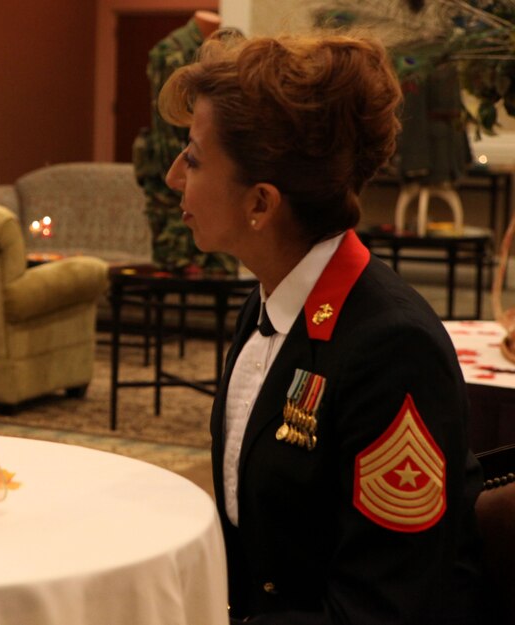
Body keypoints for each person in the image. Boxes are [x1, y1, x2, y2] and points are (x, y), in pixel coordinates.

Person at [160, 34, 482, 624]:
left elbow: (383, 609)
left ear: (261, 203)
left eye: (194, 157)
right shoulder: (267, 305)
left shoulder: (391, 348)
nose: (173, 175)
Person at [134, 10, 237, 274]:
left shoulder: (234, 49)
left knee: (223, 272)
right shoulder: (171, 52)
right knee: (178, 267)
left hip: (220, 175)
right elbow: (166, 127)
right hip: (182, 179)